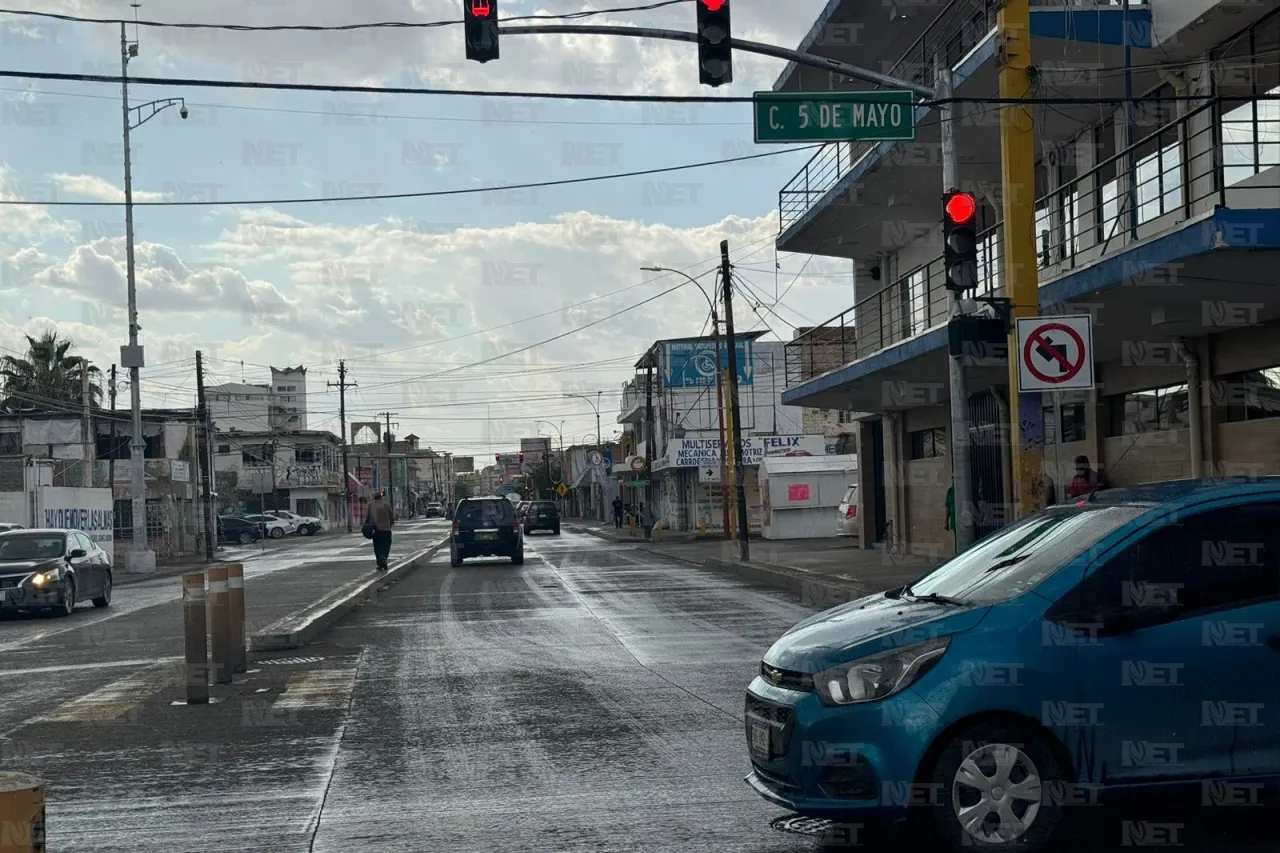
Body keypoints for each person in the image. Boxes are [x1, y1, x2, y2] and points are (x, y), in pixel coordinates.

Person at [365, 490, 395, 571]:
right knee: (386, 545)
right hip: (386, 530)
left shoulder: (371, 505)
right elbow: (392, 517)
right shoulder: (386, 505)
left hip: (377, 530)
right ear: (381, 497)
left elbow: (368, 518)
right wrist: (391, 524)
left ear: (374, 497)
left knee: (377, 547)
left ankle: (380, 563)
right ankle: (384, 557)